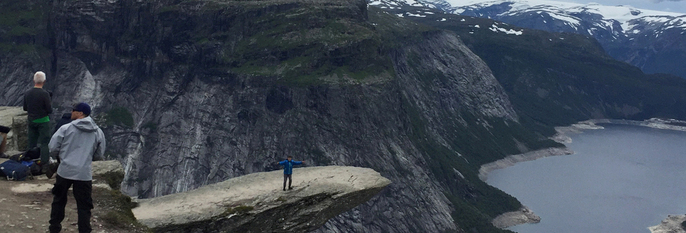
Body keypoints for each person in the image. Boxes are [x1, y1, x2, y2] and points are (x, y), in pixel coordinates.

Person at [48, 102, 105, 233]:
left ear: (80, 113)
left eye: (74, 110)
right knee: (84, 206)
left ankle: (54, 228)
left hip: (65, 171)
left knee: (59, 200)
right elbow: (99, 154)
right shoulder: (98, 132)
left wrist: (60, 158)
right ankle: (84, 230)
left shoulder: (66, 128)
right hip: (84, 174)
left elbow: (52, 148)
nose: (72, 112)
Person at [24, 71, 52, 168]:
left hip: (31, 120)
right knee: (45, 142)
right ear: (44, 81)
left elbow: (25, 108)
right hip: (43, 121)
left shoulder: (27, 93)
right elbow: (49, 109)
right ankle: (44, 163)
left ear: (33, 81)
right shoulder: (45, 94)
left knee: (31, 142)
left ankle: (29, 162)